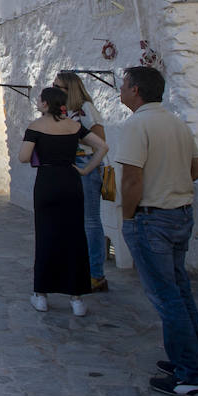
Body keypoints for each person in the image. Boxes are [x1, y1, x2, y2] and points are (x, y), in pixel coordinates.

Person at [113, 65, 198, 396]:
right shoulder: (176, 123)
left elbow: (131, 178)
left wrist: (128, 218)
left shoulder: (137, 124)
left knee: (165, 297)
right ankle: (192, 356)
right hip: (180, 216)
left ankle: (194, 375)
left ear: (137, 90)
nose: (121, 90)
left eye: (124, 85)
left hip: (151, 218)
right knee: (179, 291)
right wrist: (172, 181)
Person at [18, 86, 108, 316]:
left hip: (47, 181)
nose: (38, 102)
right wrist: (86, 170)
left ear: (47, 103)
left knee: (46, 235)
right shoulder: (75, 126)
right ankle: (76, 299)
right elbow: (102, 147)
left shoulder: (36, 127)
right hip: (71, 181)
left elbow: (23, 157)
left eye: (40, 100)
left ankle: (41, 295)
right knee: (74, 237)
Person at [55, 70, 108, 292]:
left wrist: (86, 169)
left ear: (70, 89)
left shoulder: (85, 109)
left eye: (58, 87)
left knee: (90, 220)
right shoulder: (65, 112)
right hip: (70, 166)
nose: (54, 89)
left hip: (84, 164)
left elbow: (100, 143)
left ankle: (96, 273)